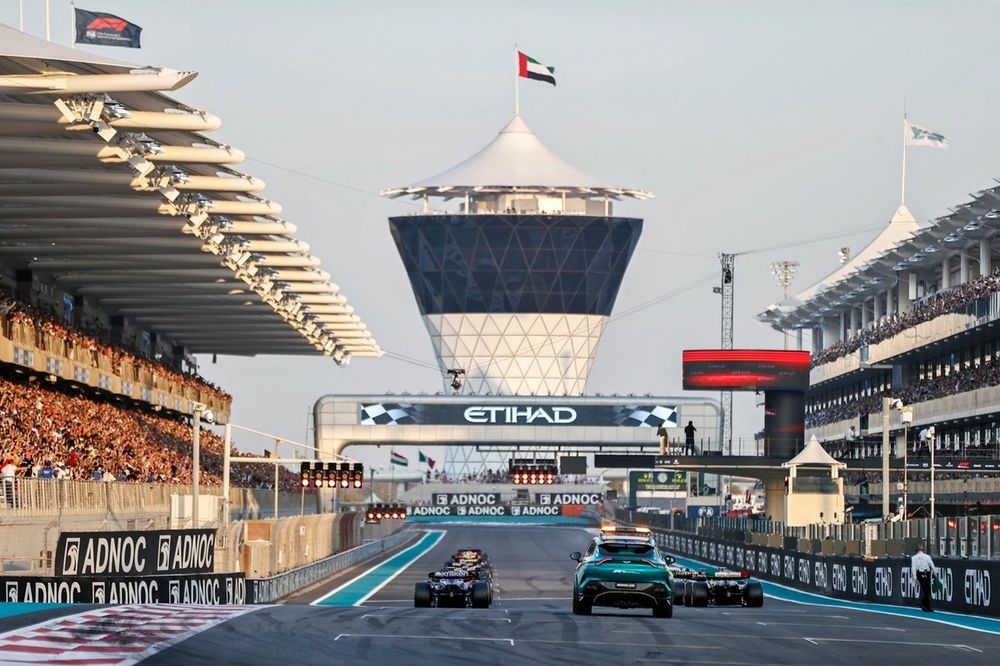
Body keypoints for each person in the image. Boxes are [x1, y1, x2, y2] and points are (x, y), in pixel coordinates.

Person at [911, 543, 936, 612]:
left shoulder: (914, 557)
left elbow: (913, 568)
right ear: (923, 550)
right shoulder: (927, 556)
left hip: (919, 574)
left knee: (925, 591)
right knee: (927, 591)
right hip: (925, 573)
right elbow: (932, 565)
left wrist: (915, 578)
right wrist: (935, 572)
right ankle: (922, 602)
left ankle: (927, 607)